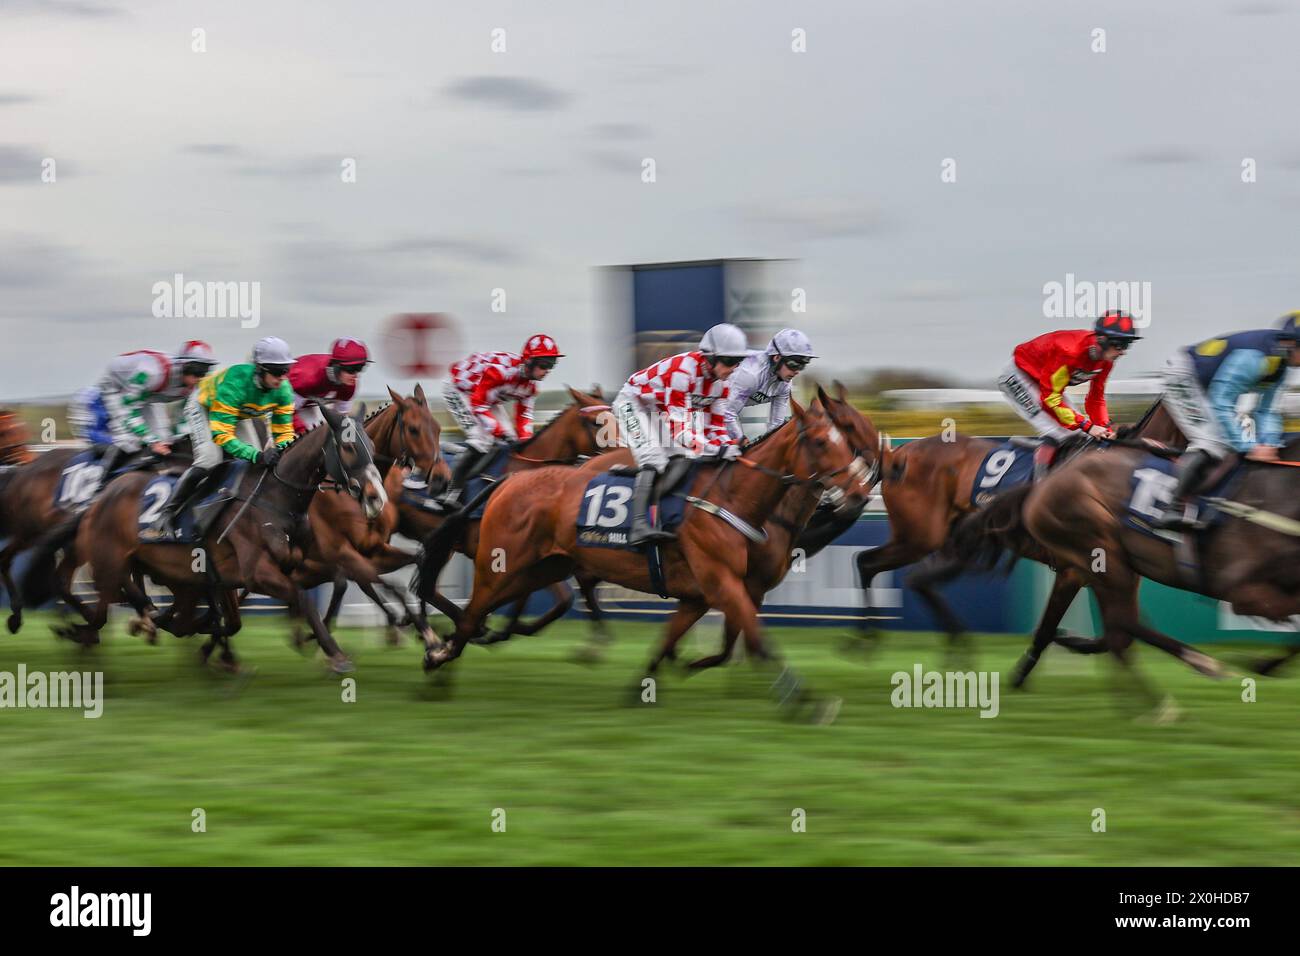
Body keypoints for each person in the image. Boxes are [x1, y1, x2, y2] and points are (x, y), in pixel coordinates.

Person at [1153, 312, 1300, 529]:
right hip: (1183, 374)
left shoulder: (1280, 365)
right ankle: (1172, 508)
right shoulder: (1254, 359)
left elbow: (1267, 411)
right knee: (1213, 441)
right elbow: (1221, 402)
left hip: (1209, 384)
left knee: (1236, 438)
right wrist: (1248, 446)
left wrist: (1268, 443)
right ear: (1290, 343)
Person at [142, 337, 296, 540]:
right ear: (260, 369)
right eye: (276, 372)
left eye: (286, 370)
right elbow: (222, 435)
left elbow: (284, 432)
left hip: (240, 413)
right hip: (204, 407)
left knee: (253, 466)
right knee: (209, 459)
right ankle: (165, 516)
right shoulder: (236, 382)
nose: (282, 378)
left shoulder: (284, 390)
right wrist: (257, 455)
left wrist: (282, 450)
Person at [613, 323, 747, 546]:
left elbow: (716, 428)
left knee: (686, 456)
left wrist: (730, 445)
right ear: (710, 358)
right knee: (653, 456)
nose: (734, 368)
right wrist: (718, 449)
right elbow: (681, 430)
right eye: (730, 361)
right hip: (631, 403)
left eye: (739, 362)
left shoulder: (722, 384)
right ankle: (638, 525)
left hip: (657, 408)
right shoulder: (683, 372)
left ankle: (637, 478)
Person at [997, 311, 1140, 477]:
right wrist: (1088, 426)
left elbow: (1096, 398)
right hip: (1018, 376)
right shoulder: (1070, 352)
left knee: (1080, 432)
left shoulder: (1106, 360)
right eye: (1120, 345)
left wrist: (1104, 426)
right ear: (1102, 340)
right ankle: (1039, 486)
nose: (1123, 352)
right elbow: (1050, 399)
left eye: (1127, 345)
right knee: (1059, 432)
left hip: (1045, 383)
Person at [68, 341, 218, 482]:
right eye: (197, 370)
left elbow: (188, 417)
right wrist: (150, 440)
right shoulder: (152, 372)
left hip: (148, 397)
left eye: (205, 371)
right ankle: (99, 484)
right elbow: (128, 409)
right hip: (118, 389)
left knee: (165, 440)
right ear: (184, 365)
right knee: (128, 441)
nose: (200, 377)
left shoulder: (196, 385)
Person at [440, 334, 563, 503]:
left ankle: (489, 479)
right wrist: (497, 431)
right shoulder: (500, 373)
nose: (547, 370)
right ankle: (451, 492)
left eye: (552, 364)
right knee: (482, 438)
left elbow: (524, 417)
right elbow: (478, 404)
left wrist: (526, 443)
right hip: (459, 390)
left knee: (510, 439)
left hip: (484, 396)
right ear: (529, 361)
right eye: (544, 364)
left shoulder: (531, 387)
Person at [714, 328, 815, 442]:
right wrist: (741, 441)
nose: (797, 371)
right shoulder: (751, 374)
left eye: (802, 366)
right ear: (777, 357)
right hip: (703, 403)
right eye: (794, 364)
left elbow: (776, 426)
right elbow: (727, 413)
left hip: (721, 410)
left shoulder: (785, 384)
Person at [289, 337, 371, 434]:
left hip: (304, 405)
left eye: (360, 368)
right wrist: (302, 433)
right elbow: (285, 412)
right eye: (352, 369)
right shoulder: (307, 379)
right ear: (336, 367)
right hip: (276, 400)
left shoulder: (349, 385)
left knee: (319, 437)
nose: (356, 375)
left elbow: (341, 418)